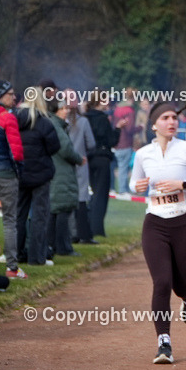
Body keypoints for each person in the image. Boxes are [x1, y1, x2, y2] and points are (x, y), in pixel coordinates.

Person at [130, 101, 186, 364]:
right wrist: (138, 186)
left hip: (184, 223)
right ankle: (163, 342)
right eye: (165, 118)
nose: (172, 121)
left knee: (180, 284)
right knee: (162, 281)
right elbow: (133, 183)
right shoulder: (143, 154)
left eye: (174, 118)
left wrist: (183, 183)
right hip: (155, 222)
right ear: (154, 124)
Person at [15, 87, 61, 266]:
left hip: (20, 173)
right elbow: (54, 148)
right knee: (39, 217)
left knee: (19, 215)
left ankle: (17, 254)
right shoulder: (44, 123)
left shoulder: (15, 120)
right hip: (41, 174)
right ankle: (36, 257)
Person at [0, 80, 26, 279]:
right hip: (5, 174)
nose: (14, 97)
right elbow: (17, 152)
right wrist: (19, 171)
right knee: (9, 221)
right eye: (10, 94)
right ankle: (12, 268)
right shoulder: (7, 118)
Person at [47, 99, 84, 257]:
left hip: (58, 171)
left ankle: (54, 245)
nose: (67, 111)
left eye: (68, 108)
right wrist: (78, 158)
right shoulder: (56, 126)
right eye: (63, 108)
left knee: (57, 210)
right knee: (62, 210)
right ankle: (63, 247)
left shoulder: (55, 125)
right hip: (61, 173)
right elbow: (65, 149)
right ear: (56, 110)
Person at [63, 91, 97, 244]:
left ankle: (70, 234)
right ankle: (83, 234)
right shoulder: (82, 122)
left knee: (66, 197)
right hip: (81, 162)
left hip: (63, 165)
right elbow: (91, 144)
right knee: (82, 198)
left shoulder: (58, 121)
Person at [86, 92, 121, 238]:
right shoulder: (103, 119)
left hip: (88, 158)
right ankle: (97, 228)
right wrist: (118, 129)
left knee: (92, 193)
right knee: (101, 194)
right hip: (102, 158)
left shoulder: (85, 118)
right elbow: (111, 141)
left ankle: (88, 225)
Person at [112, 91, 136, 194]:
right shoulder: (129, 110)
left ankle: (123, 189)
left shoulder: (117, 110)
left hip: (117, 142)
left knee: (121, 167)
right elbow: (130, 128)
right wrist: (139, 128)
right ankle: (123, 190)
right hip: (125, 143)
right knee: (123, 168)